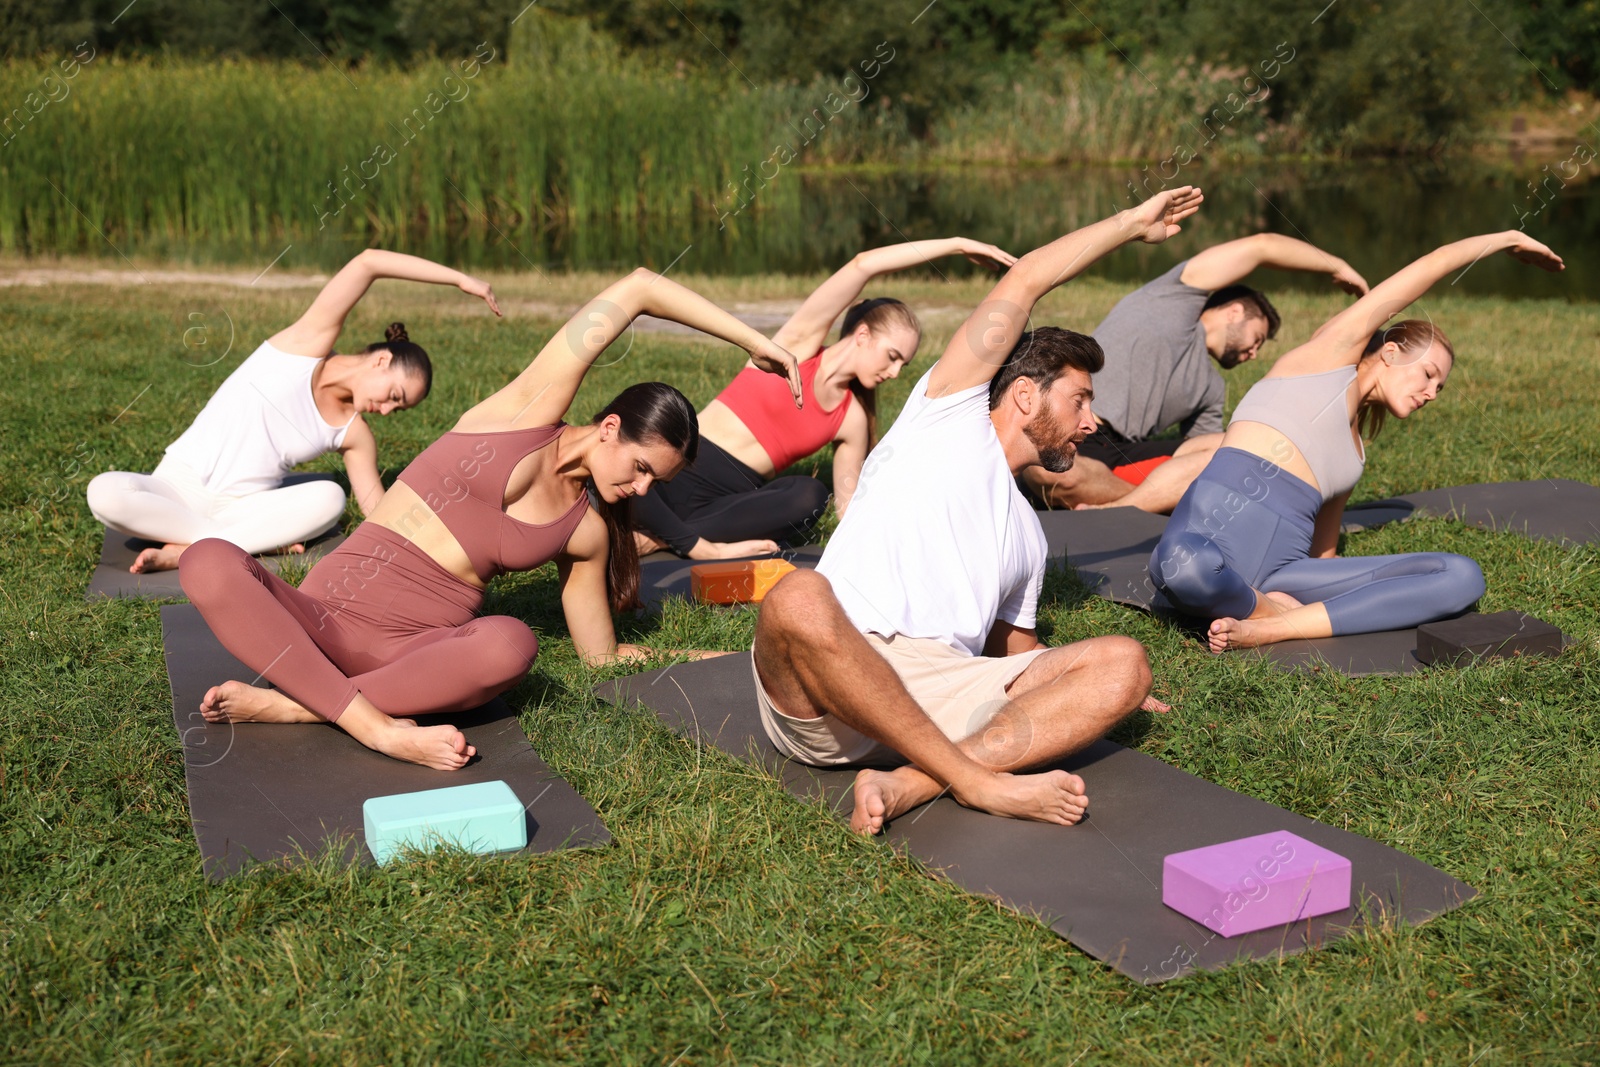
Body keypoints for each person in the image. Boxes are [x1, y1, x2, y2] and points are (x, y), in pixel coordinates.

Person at [177, 268, 801, 771]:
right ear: (609, 427)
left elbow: (602, 659)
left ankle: (302, 705)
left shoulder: (584, 533)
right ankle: (370, 725)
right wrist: (755, 342)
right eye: (640, 468)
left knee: (512, 644)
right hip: (320, 621)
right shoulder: (521, 413)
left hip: (415, 657)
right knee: (208, 558)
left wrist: (715, 656)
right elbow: (638, 288)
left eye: (653, 483)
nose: (639, 489)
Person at [749, 189, 1205, 835]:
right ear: (1024, 394)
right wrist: (1128, 223)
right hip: (833, 689)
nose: (1091, 420)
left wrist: (1098, 689)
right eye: (1079, 400)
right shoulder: (945, 416)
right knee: (796, 596)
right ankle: (975, 781)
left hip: (937, 697)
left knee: (1123, 659)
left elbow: (1016, 653)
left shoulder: (1028, 535)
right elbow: (1025, 281)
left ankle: (913, 781)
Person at [1147, 230, 1564, 652]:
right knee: (1183, 567)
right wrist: (1506, 238)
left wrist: (1350, 583)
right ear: (1391, 351)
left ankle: (1275, 625)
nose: (1432, 393)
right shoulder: (1324, 362)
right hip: (1209, 541)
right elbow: (1431, 265)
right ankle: (1269, 612)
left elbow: (1322, 554)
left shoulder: (1354, 456)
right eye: (1428, 375)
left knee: (1462, 576)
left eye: (1441, 388)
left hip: (1283, 574)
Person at [87, 249, 501, 572]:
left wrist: (456, 525)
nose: (389, 410)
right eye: (394, 395)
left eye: (400, 407)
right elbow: (368, 262)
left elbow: (379, 512)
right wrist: (460, 279)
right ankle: (218, 542)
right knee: (103, 492)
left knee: (330, 499)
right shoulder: (306, 342)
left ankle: (194, 547)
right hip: (176, 487)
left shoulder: (354, 434)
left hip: (245, 506)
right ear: (380, 361)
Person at [631, 237, 1016, 559]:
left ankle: (665, 537)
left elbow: (847, 507)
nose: (895, 373)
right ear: (862, 335)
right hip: (678, 470)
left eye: (904, 364)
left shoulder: (852, 418)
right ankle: (676, 535)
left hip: (729, 504)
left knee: (809, 494)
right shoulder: (796, 348)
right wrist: (955, 244)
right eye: (893, 356)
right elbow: (862, 265)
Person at [1023, 233, 1370, 513]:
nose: (1255, 352)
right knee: (1050, 474)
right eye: (1257, 338)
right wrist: (1334, 264)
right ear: (1234, 311)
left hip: (1123, 455)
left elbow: (1216, 466)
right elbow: (1261, 247)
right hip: (1075, 436)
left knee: (1238, 448)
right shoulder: (1171, 301)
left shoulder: (1212, 390)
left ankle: (1122, 506)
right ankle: (1146, 505)